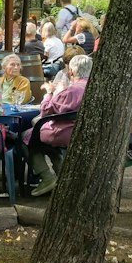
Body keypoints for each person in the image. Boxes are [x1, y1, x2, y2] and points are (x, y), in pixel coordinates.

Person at [26, 55, 91, 196]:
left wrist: (49, 93)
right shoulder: (93, 87)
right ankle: (63, 178)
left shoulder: (72, 90)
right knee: (40, 137)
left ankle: (47, 178)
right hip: (86, 131)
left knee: (26, 138)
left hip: (66, 132)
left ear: (71, 72)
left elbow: (45, 111)